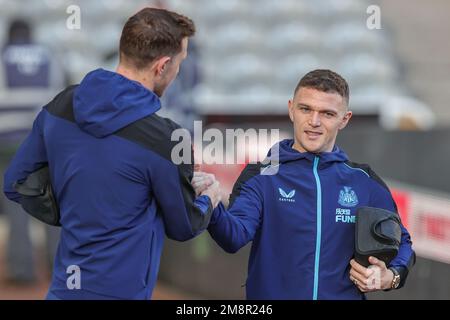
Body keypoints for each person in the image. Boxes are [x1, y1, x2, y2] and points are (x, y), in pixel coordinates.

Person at [3, 8, 220, 300]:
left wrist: (75, 210)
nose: (178, 71)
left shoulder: (60, 106)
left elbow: (16, 182)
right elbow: (185, 225)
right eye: (179, 63)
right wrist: (209, 198)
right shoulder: (166, 138)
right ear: (163, 66)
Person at [196, 69, 415, 300]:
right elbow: (233, 236)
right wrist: (212, 203)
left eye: (327, 113)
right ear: (291, 109)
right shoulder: (262, 176)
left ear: (345, 119)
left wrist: (390, 276)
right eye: (305, 109)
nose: (314, 122)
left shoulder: (363, 181)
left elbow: (402, 241)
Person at [0, 18, 64, 284]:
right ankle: (58, 266)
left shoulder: (3, 56)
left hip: (10, 143)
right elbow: (62, 97)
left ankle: (23, 270)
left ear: (10, 34)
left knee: (17, 207)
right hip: (45, 142)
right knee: (51, 205)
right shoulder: (50, 57)